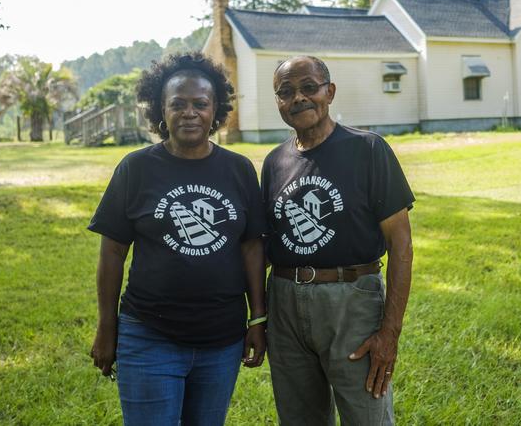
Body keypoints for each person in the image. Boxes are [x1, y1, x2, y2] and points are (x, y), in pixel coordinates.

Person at [88, 53, 266, 426]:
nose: (190, 113)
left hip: (222, 340)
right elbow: (113, 252)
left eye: (200, 104)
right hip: (149, 335)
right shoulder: (136, 168)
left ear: (215, 110)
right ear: (160, 109)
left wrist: (257, 319)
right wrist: (107, 327)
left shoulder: (239, 169)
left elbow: (251, 247)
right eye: (178, 104)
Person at [261, 55, 414, 426]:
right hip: (284, 304)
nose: (298, 98)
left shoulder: (368, 149)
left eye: (308, 88)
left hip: (353, 302)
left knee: (367, 417)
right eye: (286, 92)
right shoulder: (274, 161)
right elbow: (263, 245)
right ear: (278, 102)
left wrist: (388, 334)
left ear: (329, 92)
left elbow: (401, 247)